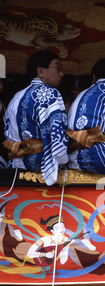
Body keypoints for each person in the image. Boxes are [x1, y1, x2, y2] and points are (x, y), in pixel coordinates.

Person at [3, 50, 69, 185]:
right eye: (57, 67)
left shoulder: (16, 97)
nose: (61, 74)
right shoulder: (50, 93)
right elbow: (58, 144)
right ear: (40, 71)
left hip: (14, 171)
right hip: (41, 173)